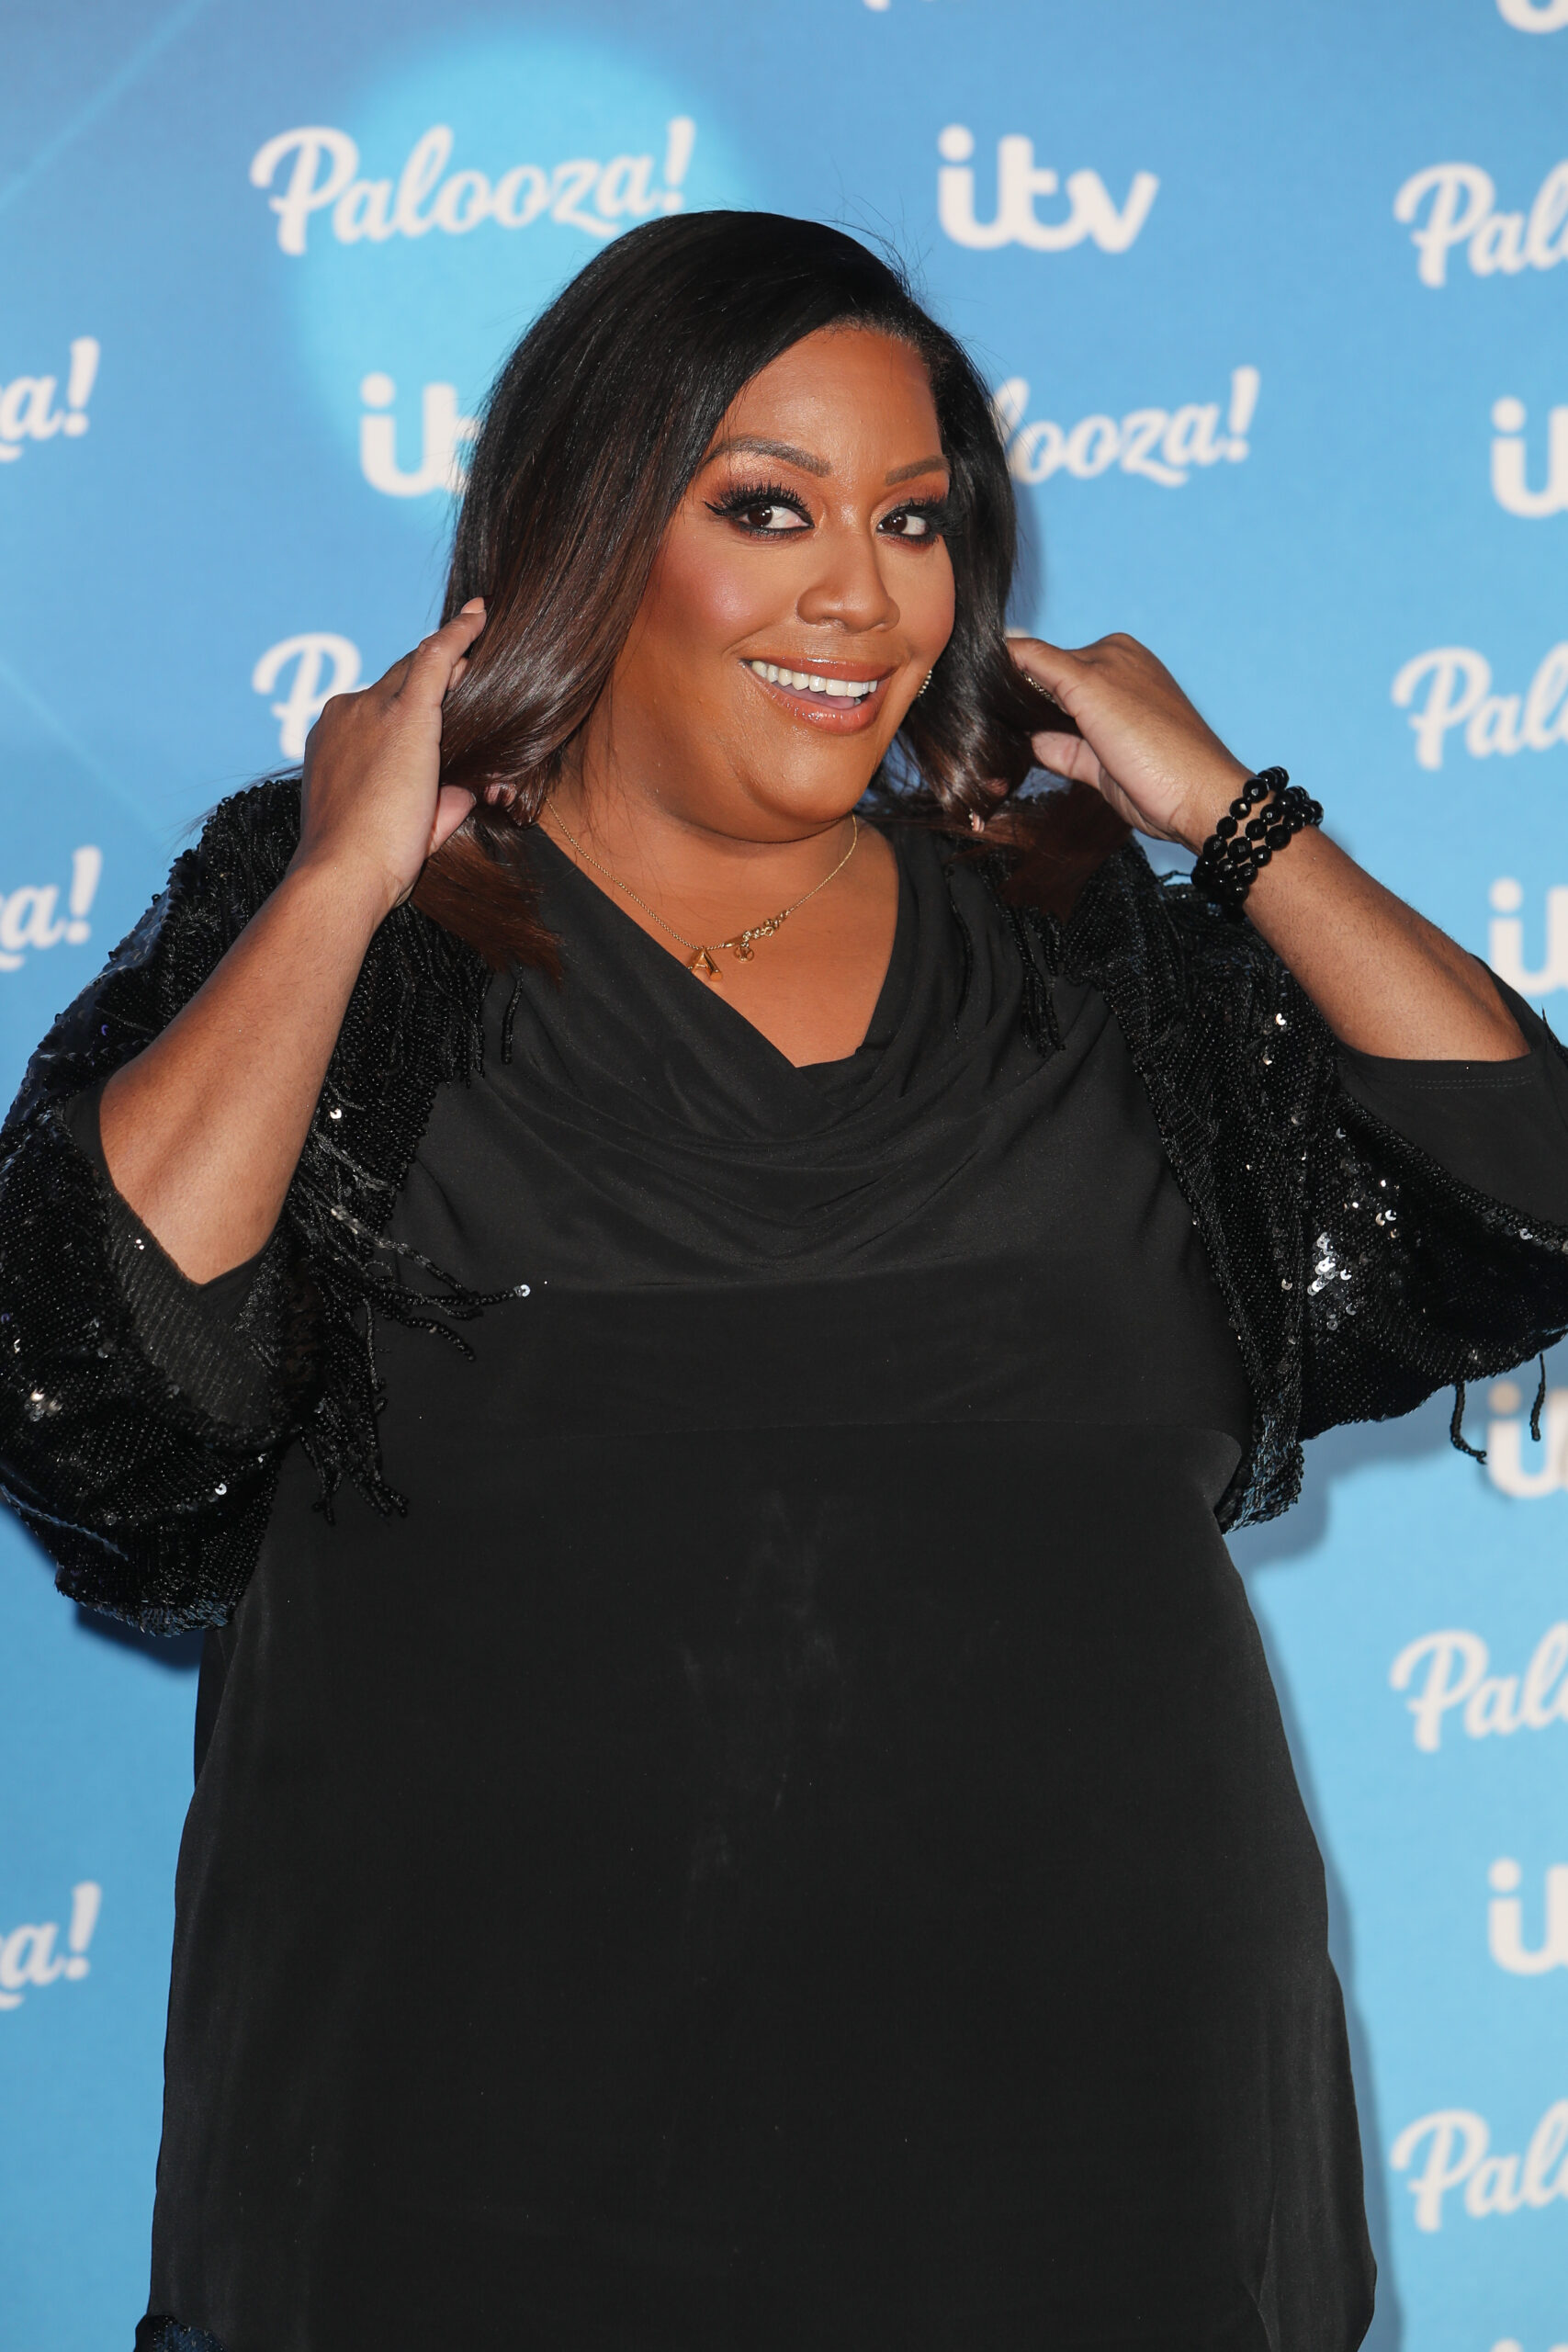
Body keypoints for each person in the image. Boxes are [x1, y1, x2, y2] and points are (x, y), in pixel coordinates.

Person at [3, 213, 1566, 2352]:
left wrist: (1234, 814)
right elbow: (87, 1366)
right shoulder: (364, 951)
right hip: (462, 2176)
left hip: (1101, 2161)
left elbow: (1528, 1196)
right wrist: (344, 871)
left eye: (912, 519)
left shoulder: (1089, 946)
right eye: (769, 509)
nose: (862, 591)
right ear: (584, 531)